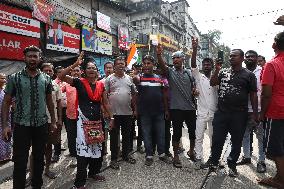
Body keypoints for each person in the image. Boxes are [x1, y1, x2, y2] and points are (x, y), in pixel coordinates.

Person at [1, 46, 57, 188]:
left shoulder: (46, 79)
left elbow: (50, 102)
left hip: (41, 125)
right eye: (30, 56)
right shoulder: (14, 78)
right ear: (24, 58)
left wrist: (54, 122)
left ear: (40, 59)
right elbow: (6, 102)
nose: (32, 59)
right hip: (21, 125)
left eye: (35, 56)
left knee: (39, 159)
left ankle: (36, 185)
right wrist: (6, 125)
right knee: (20, 161)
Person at [59, 52, 112, 189]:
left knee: (97, 149)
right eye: (88, 68)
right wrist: (75, 64)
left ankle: (94, 172)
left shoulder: (101, 85)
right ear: (84, 71)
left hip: (97, 122)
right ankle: (79, 183)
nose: (91, 70)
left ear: (97, 70)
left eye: (94, 68)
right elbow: (61, 76)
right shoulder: (78, 82)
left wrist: (111, 117)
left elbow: (105, 102)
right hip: (82, 122)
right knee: (83, 153)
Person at [202, 49, 258, 177]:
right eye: (230, 56)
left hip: (239, 114)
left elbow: (254, 95)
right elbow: (212, 82)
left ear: (242, 58)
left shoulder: (249, 75)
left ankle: (232, 165)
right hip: (221, 113)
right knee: (217, 140)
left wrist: (255, 113)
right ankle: (214, 162)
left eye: (234, 56)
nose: (231, 57)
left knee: (236, 141)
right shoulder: (223, 71)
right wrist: (217, 69)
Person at [156, 44, 197, 168]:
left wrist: (194, 90)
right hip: (176, 108)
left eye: (177, 58)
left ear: (183, 59)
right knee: (177, 133)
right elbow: (163, 66)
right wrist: (159, 55)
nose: (175, 60)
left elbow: (194, 86)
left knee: (192, 132)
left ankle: (191, 151)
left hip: (190, 108)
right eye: (173, 58)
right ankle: (176, 156)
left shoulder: (189, 73)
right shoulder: (170, 72)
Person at [133, 55, 171, 166]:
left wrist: (166, 110)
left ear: (153, 65)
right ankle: (149, 155)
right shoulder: (139, 77)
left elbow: (164, 95)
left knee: (161, 134)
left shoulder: (160, 78)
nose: (146, 65)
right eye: (144, 63)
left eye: (149, 63)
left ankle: (162, 154)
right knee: (146, 134)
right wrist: (135, 75)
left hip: (159, 111)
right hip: (145, 112)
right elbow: (135, 81)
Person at [258, 32, 284, 188]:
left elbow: (266, 94)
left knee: (276, 148)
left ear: (274, 44)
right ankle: (280, 175)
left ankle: (280, 180)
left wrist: (262, 114)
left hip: (276, 111)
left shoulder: (272, 64)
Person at [105, 57, 137, 169]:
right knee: (114, 137)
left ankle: (126, 155)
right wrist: (107, 112)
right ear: (114, 66)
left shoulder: (129, 78)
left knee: (127, 136)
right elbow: (104, 97)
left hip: (127, 113)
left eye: (122, 63)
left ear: (125, 65)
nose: (120, 65)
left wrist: (135, 109)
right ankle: (113, 159)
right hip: (113, 114)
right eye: (118, 63)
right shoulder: (109, 79)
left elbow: (133, 95)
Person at [190, 37, 218, 169]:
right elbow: (193, 64)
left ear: (212, 66)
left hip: (214, 113)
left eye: (209, 64)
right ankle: (199, 158)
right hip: (201, 113)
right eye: (205, 64)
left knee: (214, 138)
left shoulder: (217, 77)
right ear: (202, 66)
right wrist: (194, 49)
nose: (206, 65)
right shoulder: (198, 76)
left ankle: (213, 159)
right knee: (199, 136)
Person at [237, 50, 266, 173]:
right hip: (244, 110)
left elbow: (265, 92)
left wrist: (261, 112)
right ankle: (247, 157)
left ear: (256, 58)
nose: (249, 58)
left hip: (258, 111)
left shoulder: (263, 71)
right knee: (245, 135)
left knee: (261, 137)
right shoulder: (241, 72)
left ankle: (261, 161)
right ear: (244, 59)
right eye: (247, 56)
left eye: (252, 56)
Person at [63, 66, 82, 159]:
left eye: (77, 71)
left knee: (82, 135)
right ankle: (73, 154)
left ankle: (82, 153)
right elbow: (57, 88)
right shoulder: (66, 84)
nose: (75, 72)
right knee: (71, 135)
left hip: (82, 115)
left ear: (81, 72)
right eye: (73, 71)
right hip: (70, 115)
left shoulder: (84, 82)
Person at [53, 66, 68, 162]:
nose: (61, 73)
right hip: (57, 110)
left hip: (68, 109)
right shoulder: (53, 83)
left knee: (69, 130)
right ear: (56, 74)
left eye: (63, 72)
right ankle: (56, 152)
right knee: (57, 131)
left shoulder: (68, 82)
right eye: (59, 72)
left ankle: (73, 151)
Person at [0, 73, 12, 164]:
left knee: (7, 134)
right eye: (2, 78)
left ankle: (7, 155)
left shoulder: (5, 90)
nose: (4, 80)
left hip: (6, 116)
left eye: (5, 78)